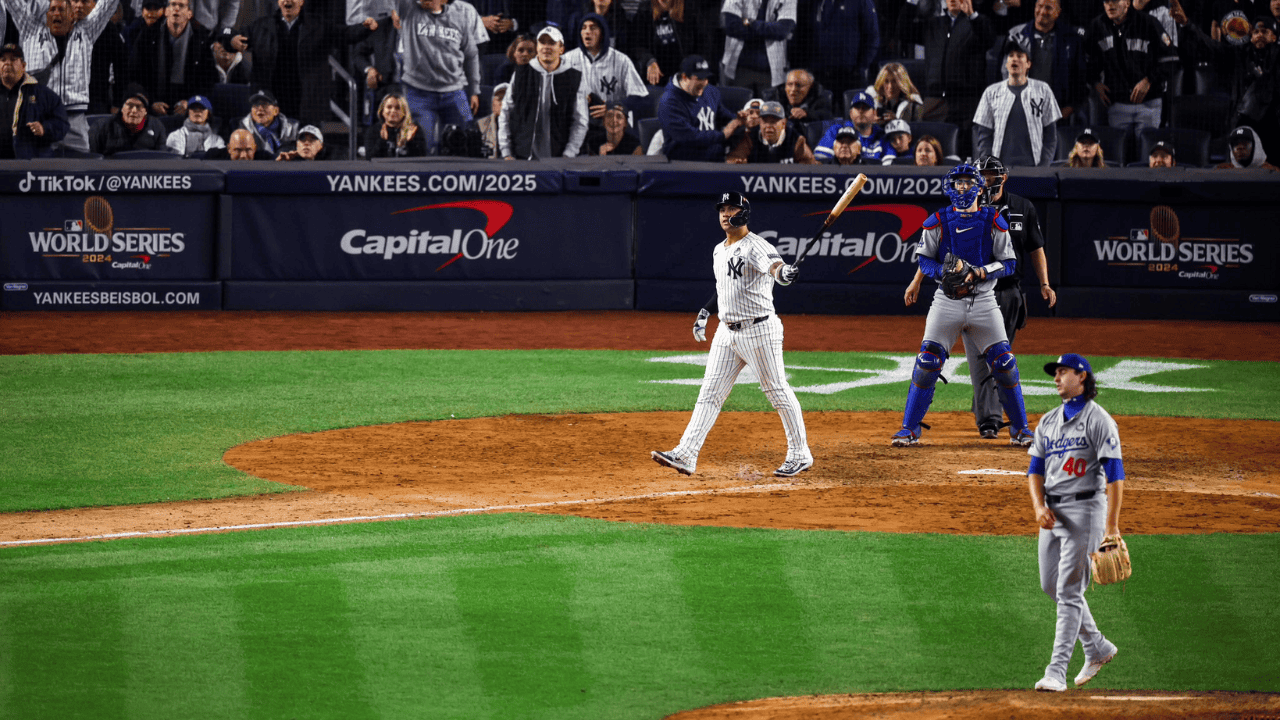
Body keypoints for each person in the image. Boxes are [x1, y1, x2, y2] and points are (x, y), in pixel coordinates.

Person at [651, 191, 814, 479]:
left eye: (732, 209)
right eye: (722, 209)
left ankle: (800, 454)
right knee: (709, 394)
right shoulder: (719, 249)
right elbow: (725, 287)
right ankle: (686, 454)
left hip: (759, 329)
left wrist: (784, 273)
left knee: (776, 391)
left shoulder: (757, 246)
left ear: (745, 213)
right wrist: (705, 311)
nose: (726, 214)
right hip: (726, 333)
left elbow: (775, 268)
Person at [905, 155, 1056, 439]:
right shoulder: (937, 220)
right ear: (950, 187)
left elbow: (1009, 262)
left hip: (987, 300)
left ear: (978, 187)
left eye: (968, 183)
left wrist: (978, 273)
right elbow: (923, 260)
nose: (962, 189)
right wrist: (941, 271)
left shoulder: (995, 219)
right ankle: (909, 427)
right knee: (927, 361)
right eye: (958, 184)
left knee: (1004, 364)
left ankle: (1020, 429)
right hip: (946, 300)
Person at [1028, 352, 1125, 693]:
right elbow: (1034, 471)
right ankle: (1097, 646)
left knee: (1069, 592)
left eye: (1063, 372)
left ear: (1082, 377)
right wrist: (1039, 507)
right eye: (1055, 373)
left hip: (1086, 512)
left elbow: (1115, 475)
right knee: (1049, 585)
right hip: (1053, 515)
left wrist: (1111, 527)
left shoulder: (1099, 421)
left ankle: (1055, 672)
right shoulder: (1049, 421)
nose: (1056, 378)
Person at [230, 0, 378, 125]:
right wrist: (231, 40)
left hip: (308, 103)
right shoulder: (260, 26)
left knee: (307, 151)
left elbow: (345, 34)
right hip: (271, 101)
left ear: (302, 1)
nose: (288, 1)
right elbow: (233, 37)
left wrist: (365, 29)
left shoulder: (319, 25)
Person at [4, 0, 119, 152]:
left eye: (61, 10)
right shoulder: (30, 30)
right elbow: (13, 3)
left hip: (74, 119)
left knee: (80, 173)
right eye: (52, 10)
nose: (56, 13)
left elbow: (108, 4)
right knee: (38, 173)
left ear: (72, 15)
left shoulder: (86, 32)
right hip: (39, 118)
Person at [384, 0, 478, 151]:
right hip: (419, 92)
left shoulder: (459, 17)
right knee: (422, 146)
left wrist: (474, 90)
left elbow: (471, 55)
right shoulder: (409, 10)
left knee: (461, 143)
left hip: (454, 92)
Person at [905, 0, 995, 156]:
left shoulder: (978, 22)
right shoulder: (933, 24)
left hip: (966, 102)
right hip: (934, 100)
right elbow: (903, 31)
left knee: (963, 153)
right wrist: (912, 2)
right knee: (930, 151)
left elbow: (989, 40)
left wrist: (971, 15)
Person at [1084, 0, 1176, 149]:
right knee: (1118, 157)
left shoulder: (1149, 23)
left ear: (1127, 3)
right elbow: (1085, 61)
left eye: (1114, 1)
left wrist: (1149, 80)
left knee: (1147, 157)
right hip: (1117, 105)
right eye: (1106, 1)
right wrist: (1095, 82)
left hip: (1149, 104)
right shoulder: (1097, 26)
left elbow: (1171, 59)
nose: (1110, 5)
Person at [498, 24, 588, 159]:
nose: (546, 46)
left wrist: (569, 154)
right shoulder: (520, 74)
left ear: (561, 49)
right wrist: (506, 152)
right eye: (542, 42)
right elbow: (505, 113)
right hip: (521, 156)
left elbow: (580, 121)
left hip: (559, 158)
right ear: (538, 47)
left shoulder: (575, 78)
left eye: (552, 42)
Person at [972, 44, 1061, 166]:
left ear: (1028, 64)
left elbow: (1050, 135)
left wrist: (1044, 165)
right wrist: (988, 165)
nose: (1014, 59)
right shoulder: (991, 92)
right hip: (1000, 168)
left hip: (1034, 167)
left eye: (1020, 56)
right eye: (1011, 56)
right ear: (1006, 63)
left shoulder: (1043, 89)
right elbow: (984, 135)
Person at [127, 0, 219, 116]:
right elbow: (134, 75)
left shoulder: (201, 38)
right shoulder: (147, 35)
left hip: (188, 105)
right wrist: (150, 102)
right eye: (173, 4)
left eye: (181, 6)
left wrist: (191, 102)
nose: (176, 9)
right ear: (166, 11)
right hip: (153, 102)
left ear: (190, 13)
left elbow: (208, 79)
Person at [1000, 0, 1088, 121]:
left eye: (1048, 8)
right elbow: (1004, 73)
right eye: (1039, 6)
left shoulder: (1072, 39)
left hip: (1059, 114)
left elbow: (1080, 77)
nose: (1042, 11)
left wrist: (1070, 108)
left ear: (1058, 12)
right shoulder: (1016, 35)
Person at [657, 54, 742, 160]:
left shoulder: (710, 91)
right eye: (699, 78)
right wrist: (722, 135)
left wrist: (740, 120)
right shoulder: (668, 102)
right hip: (683, 163)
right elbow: (688, 137)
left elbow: (721, 114)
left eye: (706, 77)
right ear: (684, 77)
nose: (705, 82)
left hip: (714, 157)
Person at [562, 12, 647, 117]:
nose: (587, 32)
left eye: (593, 28)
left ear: (602, 33)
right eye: (583, 28)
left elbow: (639, 97)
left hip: (611, 121)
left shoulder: (621, 60)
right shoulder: (568, 58)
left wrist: (613, 106)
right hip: (578, 121)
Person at [0, 42, 69, 158]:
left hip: (29, 169)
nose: (7, 63)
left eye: (13, 59)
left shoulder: (43, 94)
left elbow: (62, 124)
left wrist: (44, 128)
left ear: (23, 66)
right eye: (3, 59)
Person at [719, 0, 796, 97]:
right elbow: (731, 26)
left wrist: (750, 23)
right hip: (739, 69)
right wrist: (769, 30)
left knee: (768, 111)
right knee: (738, 110)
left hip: (771, 73)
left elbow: (782, 31)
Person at [810, 0, 878, 100]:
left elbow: (873, 38)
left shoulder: (862, 2)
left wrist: (861, 67)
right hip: (823, 76)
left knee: (854, 114)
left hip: (852, 76)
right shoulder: (819, 2)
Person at [629, 0, 702, 87]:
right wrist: (649, 61)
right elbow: (636, 45)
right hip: (656, 76)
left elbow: (701, 43)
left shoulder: (688, 8)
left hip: (683, 75)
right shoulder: (645, 9)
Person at [726, 98, 817, 163]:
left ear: (784, 123)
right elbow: (733, 159)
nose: (768, 126)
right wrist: (737, 164)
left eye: (774, 122)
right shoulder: (750, 137)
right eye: (765, 121)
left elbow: (812, 168)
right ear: (760, 122)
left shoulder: (796, 140)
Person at [813, 89, 891, 162]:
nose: (861, 111)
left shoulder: (883, 136)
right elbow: (820, 160)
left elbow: (891, 166)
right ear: (850, 113)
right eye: (857, 107)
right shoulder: (835, 131)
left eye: (865, 108)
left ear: (874, 113)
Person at [80, 0, 128, 114]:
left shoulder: (108, 28)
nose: (79, 5)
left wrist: (118, 102)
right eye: (75, 1)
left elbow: (121, 67)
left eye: (84, 2)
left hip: (98, 99)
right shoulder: (63, 27)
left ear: (95, 5)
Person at [89, 87, 171, 154]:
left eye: (139, 106)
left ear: (146, 111)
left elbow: (161, 159)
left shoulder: (157, 126)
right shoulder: (101, 127)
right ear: (122, 108)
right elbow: (94, 160)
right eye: (130, 105)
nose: (134, 110)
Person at [238, 88, 298, 156]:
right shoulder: (242, 129)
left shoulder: (293, 128)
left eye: (265, 104)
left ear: (276, 111)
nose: (260, 108)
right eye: (256, 105)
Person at [764, 67, 832, 122]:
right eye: (790, 84)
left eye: (799, 85)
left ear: (810, 87)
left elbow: (826, 115)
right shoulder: (772, 96)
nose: (793, 89)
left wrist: (807, 114)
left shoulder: (820, 95)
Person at [476, 82, 505, 156]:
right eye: (499, 99)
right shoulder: (480, 125)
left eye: (506, 100)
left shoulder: (520, 126)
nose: (503, 103)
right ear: (492, 103)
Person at [204, 125, 273, 157]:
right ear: (229, 149)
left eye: (248, 150)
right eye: (238, 150)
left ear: (255, 148)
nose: (243, 155)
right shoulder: (213, 156)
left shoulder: (265, 157)